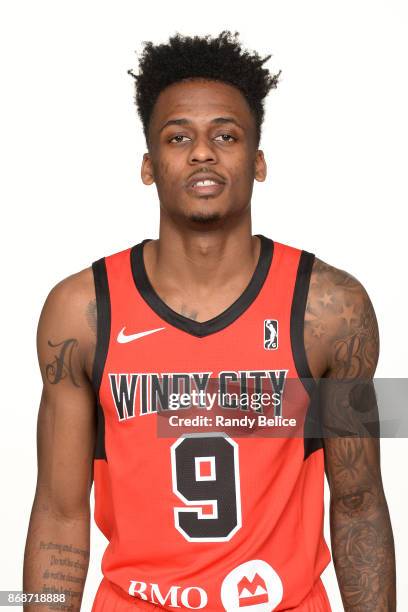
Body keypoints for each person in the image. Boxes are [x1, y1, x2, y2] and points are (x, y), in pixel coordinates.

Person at [23, 31, 396, 611]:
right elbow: (58, 511)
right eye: (179, 137)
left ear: (259, 161)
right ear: (149, 166)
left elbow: (359, 503)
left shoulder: (331, 309)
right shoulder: (83, 311)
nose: (203, 153)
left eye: (226, 135)